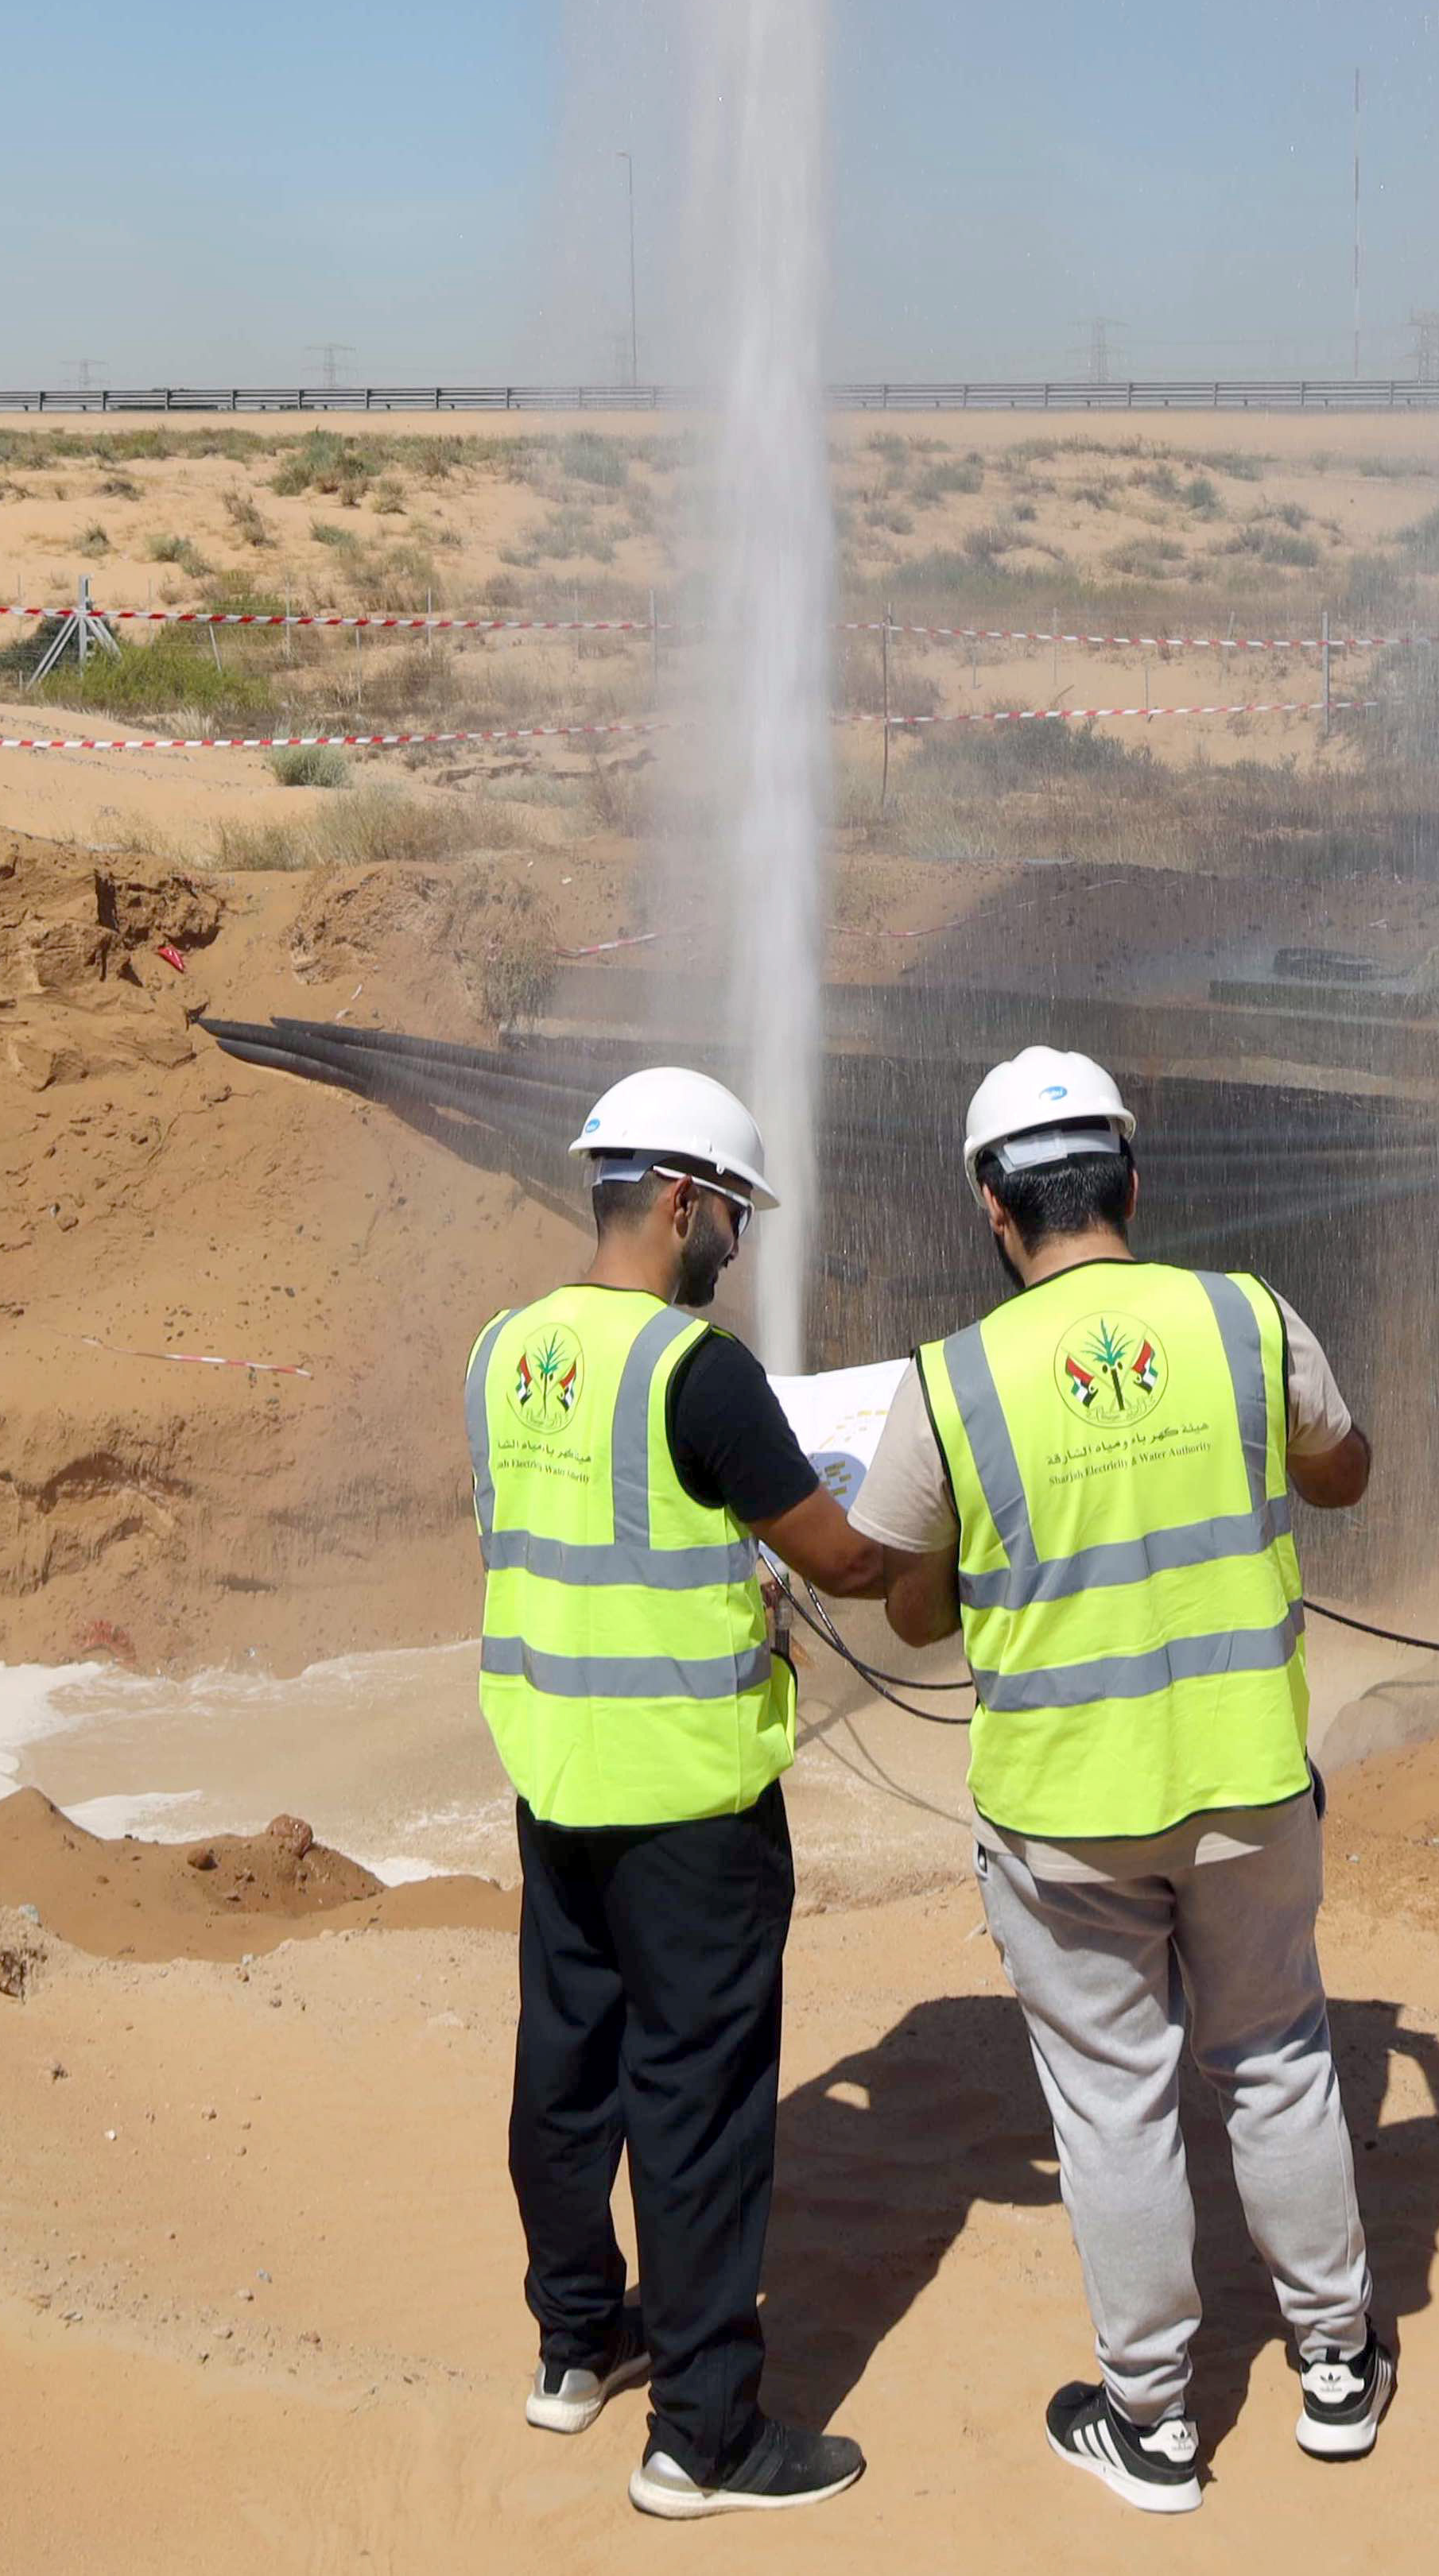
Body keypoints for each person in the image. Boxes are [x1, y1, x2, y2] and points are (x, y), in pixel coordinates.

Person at [844, 1045, 1388, 2515]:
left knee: (1114, 2106)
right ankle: (1336, 2366)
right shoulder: (1243, 1318)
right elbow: (1344, 1472)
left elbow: (907, 1610)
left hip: (1062, 1812)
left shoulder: (949, 1378)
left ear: (989, 1205)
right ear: (1133, 1182)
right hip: (1246, 1780)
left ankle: (1152, 2424)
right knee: (1277, 2058)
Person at [466, 1064, 885, 2520]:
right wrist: (889, 1533)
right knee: (699, 2107)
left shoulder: (502, 1352)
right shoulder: (697, 1372)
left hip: (555, 1776)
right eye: (738, 1221)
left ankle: (577, 2346)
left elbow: (562, 1534)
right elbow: (835, 1555)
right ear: (690, 1205)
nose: (739, 1248)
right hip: (692, 1806)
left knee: (567, 2075)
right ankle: (705, 2436)